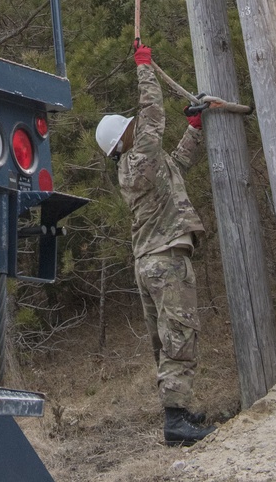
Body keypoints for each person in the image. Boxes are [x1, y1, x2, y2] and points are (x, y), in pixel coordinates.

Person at [95, 42, 216, 447]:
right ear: (123, 140)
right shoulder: (139, 153)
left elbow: (177, 165)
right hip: (165, 259)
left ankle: (179, 410)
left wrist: (195, 129)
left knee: (168, 338)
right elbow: (153, 113)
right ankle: (176, 421)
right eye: (129, 128)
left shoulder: (141, 166)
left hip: (151, 261)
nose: (135, 127)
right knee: (179, 335)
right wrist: (144, 67)